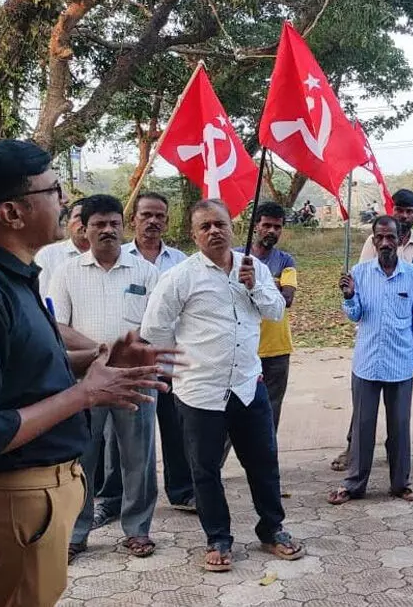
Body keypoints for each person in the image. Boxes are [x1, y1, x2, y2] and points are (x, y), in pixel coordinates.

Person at [0, 139, 169, 606]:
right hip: (12, 500)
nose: (65, 203)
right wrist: (85, 395)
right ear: (11, 213)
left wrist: (97, 359)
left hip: (40, 493)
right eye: (54, 189)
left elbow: (24, 367)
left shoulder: (13, 274)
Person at [140, 199, 302, 572]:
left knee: (263, 462)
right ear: (194, 234)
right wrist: (179, 369)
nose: (214, 231)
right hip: (200, 391)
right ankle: (218, 537)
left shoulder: (254, 268)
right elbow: (154, 329)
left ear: (232, 226)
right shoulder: (180, 277)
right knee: (205, 468)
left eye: (220, 224)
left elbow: (276, 310)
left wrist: (254, 287)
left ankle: (271, 528)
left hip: (248, 385)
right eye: (205, 227)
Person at [49, 195, 162, 563]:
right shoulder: (67, 272)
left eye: (114, 223)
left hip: (134, 379)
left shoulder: (145, 271)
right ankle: (76, 533)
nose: (108, 230)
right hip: (86, 380)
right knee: (82, 457)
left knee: (138, 458)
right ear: (84, 228)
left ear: (122, 226)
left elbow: (156, 325)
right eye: (99, 224)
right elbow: (59, 325)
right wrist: (101, 351)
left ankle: (138, 530)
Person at [327, 216, 413, 505]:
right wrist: (349, 296)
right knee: (362, 427)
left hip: (401, 364)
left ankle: (401, 483)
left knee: (400, 426)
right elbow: (355, 315)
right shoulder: (359, 273)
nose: (385, 242)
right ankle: (354, 483)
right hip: (367, 364)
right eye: (380, 237)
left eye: (391, 237)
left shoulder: (412, 277)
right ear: (373, 241)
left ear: (400, 240)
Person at [123, 191, 193, 514]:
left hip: (168, 361)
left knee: (176, 431)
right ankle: (122, 498)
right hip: (130, 365)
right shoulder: (119, 259)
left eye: (159, 216)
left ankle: (182, 491)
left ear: (166, 221)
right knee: (129, 438)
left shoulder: (181, 262)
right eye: (146, 215)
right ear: (133, 218)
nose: (152, 221)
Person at [234, 201, 297, 432]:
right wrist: (272, 286)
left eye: (277, 227)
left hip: (276, 349)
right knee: (232, 413)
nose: (272, 231)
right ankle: (213, 468)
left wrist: (254, 284)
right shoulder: (236, 257)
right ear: (255, 227)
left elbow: (286, 300)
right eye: (267, 225)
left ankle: (265, 466)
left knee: (269, 415)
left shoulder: (285, 261)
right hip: (241, 345)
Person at [34, 197, 90, 301]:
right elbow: (43, 297)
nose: (84, 222)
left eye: (90, 217)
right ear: (68, 222)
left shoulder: (110, 257)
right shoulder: (48, 255)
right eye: (78, 217)